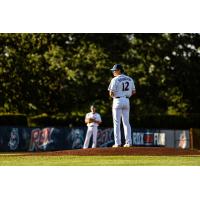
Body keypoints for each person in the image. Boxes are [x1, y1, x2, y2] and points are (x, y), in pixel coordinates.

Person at [108, 64, 136, 147]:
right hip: (127, 100)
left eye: (114, 70)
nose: (113, 72)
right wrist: (126, 95)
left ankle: (117, 143)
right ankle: (129, 142)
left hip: (117, 100)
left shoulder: (115, 79)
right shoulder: (130, 79)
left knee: (117, 122)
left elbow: (111, 93)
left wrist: (116, 97)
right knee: (126, 122)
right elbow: (134, 91)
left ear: (119, 70)